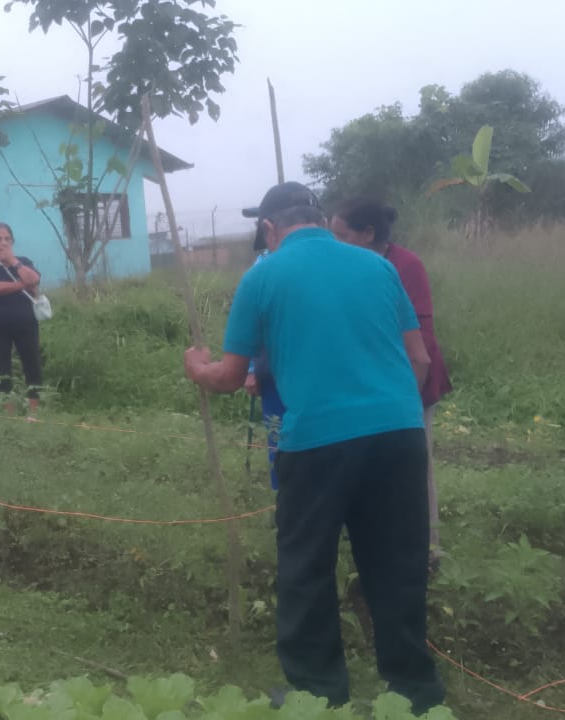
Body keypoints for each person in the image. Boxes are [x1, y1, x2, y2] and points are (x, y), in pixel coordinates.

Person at [183, 183, 445, 713]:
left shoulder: (263, 276)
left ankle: (318, 695)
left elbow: (231, 377)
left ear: (269, 228)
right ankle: (415, 694)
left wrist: (197, 368)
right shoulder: (378, 267)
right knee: (398, 564)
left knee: (306, 567)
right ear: (321, 221)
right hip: (399, 436)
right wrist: (389, 409)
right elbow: (419, 359)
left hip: (318, 443)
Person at [332, 198, 453, 564]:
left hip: (409, 384)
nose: (335, 243)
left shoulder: (406, 266)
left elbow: (421, 338)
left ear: (368, 233)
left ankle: (427, 549)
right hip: (368, 385)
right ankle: (376, 544)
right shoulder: (346, 266)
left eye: (342, 235)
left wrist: (406, 396)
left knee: (416, 466)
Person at [240, 183, 320, 489]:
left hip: (315, 367)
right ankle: (285, 494)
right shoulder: (261, 268)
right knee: (281, 440)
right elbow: (254, 326)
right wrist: (251, 369)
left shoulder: (323, 262)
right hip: (275, 368)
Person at [0, 222, 43, 419]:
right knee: (1, 368)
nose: (3, 243)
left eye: (7, 239)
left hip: (25, 322)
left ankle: (34, 413)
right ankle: (10, 415)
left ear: (12, 242)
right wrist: (22, 285)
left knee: (32, 364)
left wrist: (13, 261)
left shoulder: (23, 261)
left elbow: (34, 279)